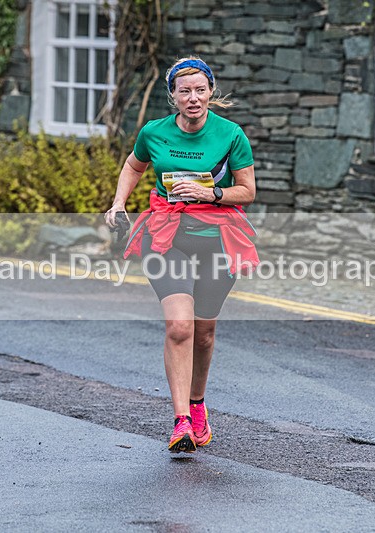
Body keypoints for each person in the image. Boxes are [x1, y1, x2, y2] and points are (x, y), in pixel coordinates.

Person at [105, 56, 258, 453]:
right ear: (172, 96)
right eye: (184, 91)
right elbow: (133, 166)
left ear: (210, 92)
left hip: (217, 239)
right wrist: (119, 203)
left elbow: (248, 190)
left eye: (200, 90)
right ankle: (180, 422)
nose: (193, 98)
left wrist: (213, 194)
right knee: (179, 327)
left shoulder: (230, 134)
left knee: (203, 333)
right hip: (166, 235)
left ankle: (197, 404)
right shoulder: (153, 133)